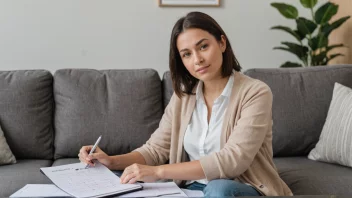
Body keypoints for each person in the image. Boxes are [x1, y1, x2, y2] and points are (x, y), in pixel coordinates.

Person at [78, 11, 293, 197]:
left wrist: (160, 172)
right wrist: (111, 161)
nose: (197, 59)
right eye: (187, 54)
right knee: (118, 178)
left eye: (203, 47)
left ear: (222, 43)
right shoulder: (184, 97)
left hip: (240, 187)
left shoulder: (255, 92)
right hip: (190, 188)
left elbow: (232, 161)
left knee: (218, 190)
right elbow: (155, 150)